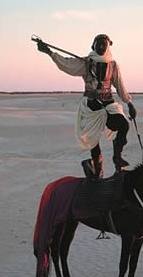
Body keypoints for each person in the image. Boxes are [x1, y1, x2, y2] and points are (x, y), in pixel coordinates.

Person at [37, 34, 136, 179]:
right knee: (92, 139)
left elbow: (120, 85)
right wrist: (50, 52)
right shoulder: (86, 62)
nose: (101, 47)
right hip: (91, 105)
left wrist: (129, 103)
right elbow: (67, 64)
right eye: (99, 44)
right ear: (93, 46)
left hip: (108, 103)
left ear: (108, 46)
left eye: (104, 44)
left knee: (123, 125)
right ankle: (97, 168)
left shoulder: (113, 65)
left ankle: (117, 157)